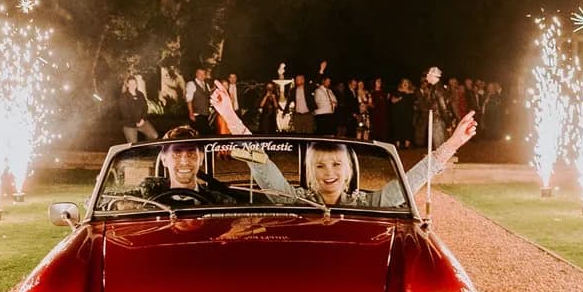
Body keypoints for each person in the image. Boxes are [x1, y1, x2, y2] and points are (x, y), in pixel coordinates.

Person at [210, 84, 477, 205]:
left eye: (336, 164)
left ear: (348, 169)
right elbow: (261, 164)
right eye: (321, 165)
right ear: (311, 171)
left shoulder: (363, 204)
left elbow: (403, 188)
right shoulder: (296, 200)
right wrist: (229, 115)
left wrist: (452, 143)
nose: (330, 172)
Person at [117, 73, 155, 144]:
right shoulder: (123, 97)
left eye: (134, 83)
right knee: (133, 144)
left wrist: (143, 119)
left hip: (141, 121)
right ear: (127, 85)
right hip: (129, 124)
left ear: (137, 84)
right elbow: (125, 113)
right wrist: (136, 122)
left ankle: (146, 148)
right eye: (130, 84)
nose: (133, 86)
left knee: (154, 136)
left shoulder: (140, 94)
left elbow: (145, 107)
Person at [389, 78, 416, 147]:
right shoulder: (397, 91)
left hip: (408, 113)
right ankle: (397, 145)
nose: (405, 84)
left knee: (407, 128)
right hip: (398, 113)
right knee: (398, 127)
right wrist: (398, 99)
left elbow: (415, 102)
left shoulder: (412, 92)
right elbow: (392, 100)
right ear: (401, 83)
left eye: (406, 82)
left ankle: (407, 145)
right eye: (404, 82)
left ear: (409, 84)